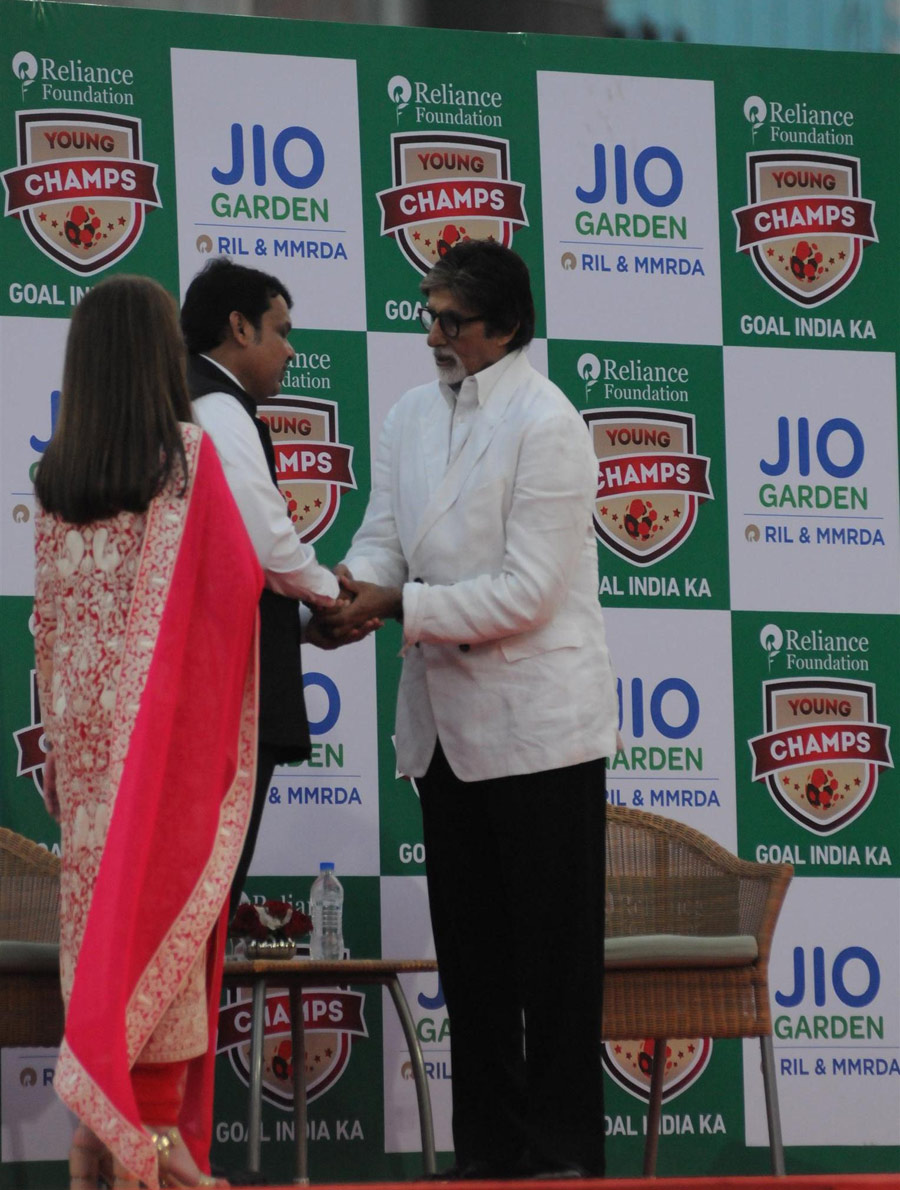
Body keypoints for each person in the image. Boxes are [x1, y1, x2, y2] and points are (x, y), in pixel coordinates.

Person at [318, 240, 619, 1179]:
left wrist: (399, 607)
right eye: (429, 312)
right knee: (475, 966)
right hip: (444, 734)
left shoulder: (550, 422)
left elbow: (528, 592)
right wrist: (347, 595)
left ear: (509, 327)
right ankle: (490, 1155)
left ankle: (566, 1154)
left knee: (555, 969)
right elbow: (382, 537)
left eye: (454, 320)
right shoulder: (410, 413)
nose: (434, 334)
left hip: (541, 730)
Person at [33, 276, 262, 1188]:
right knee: (164, 916)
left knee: (102, 927)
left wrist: (62, 740)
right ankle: (156, 1147)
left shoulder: (58, 476)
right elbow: (236, 586)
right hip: (161, 751)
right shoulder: (187, 461)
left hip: (84, 759)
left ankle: (98, 1141)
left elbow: (46, 629)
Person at [180, 259, 343, 914]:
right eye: (281, 329)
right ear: (239, 328)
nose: (291, 347)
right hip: (229, 700)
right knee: (208, 898)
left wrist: (305, 625)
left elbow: (230, 567)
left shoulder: (197, 400)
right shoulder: (219, 408)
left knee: (203, 895)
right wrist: (338, 597)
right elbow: (267, 544)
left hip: (217, 683)